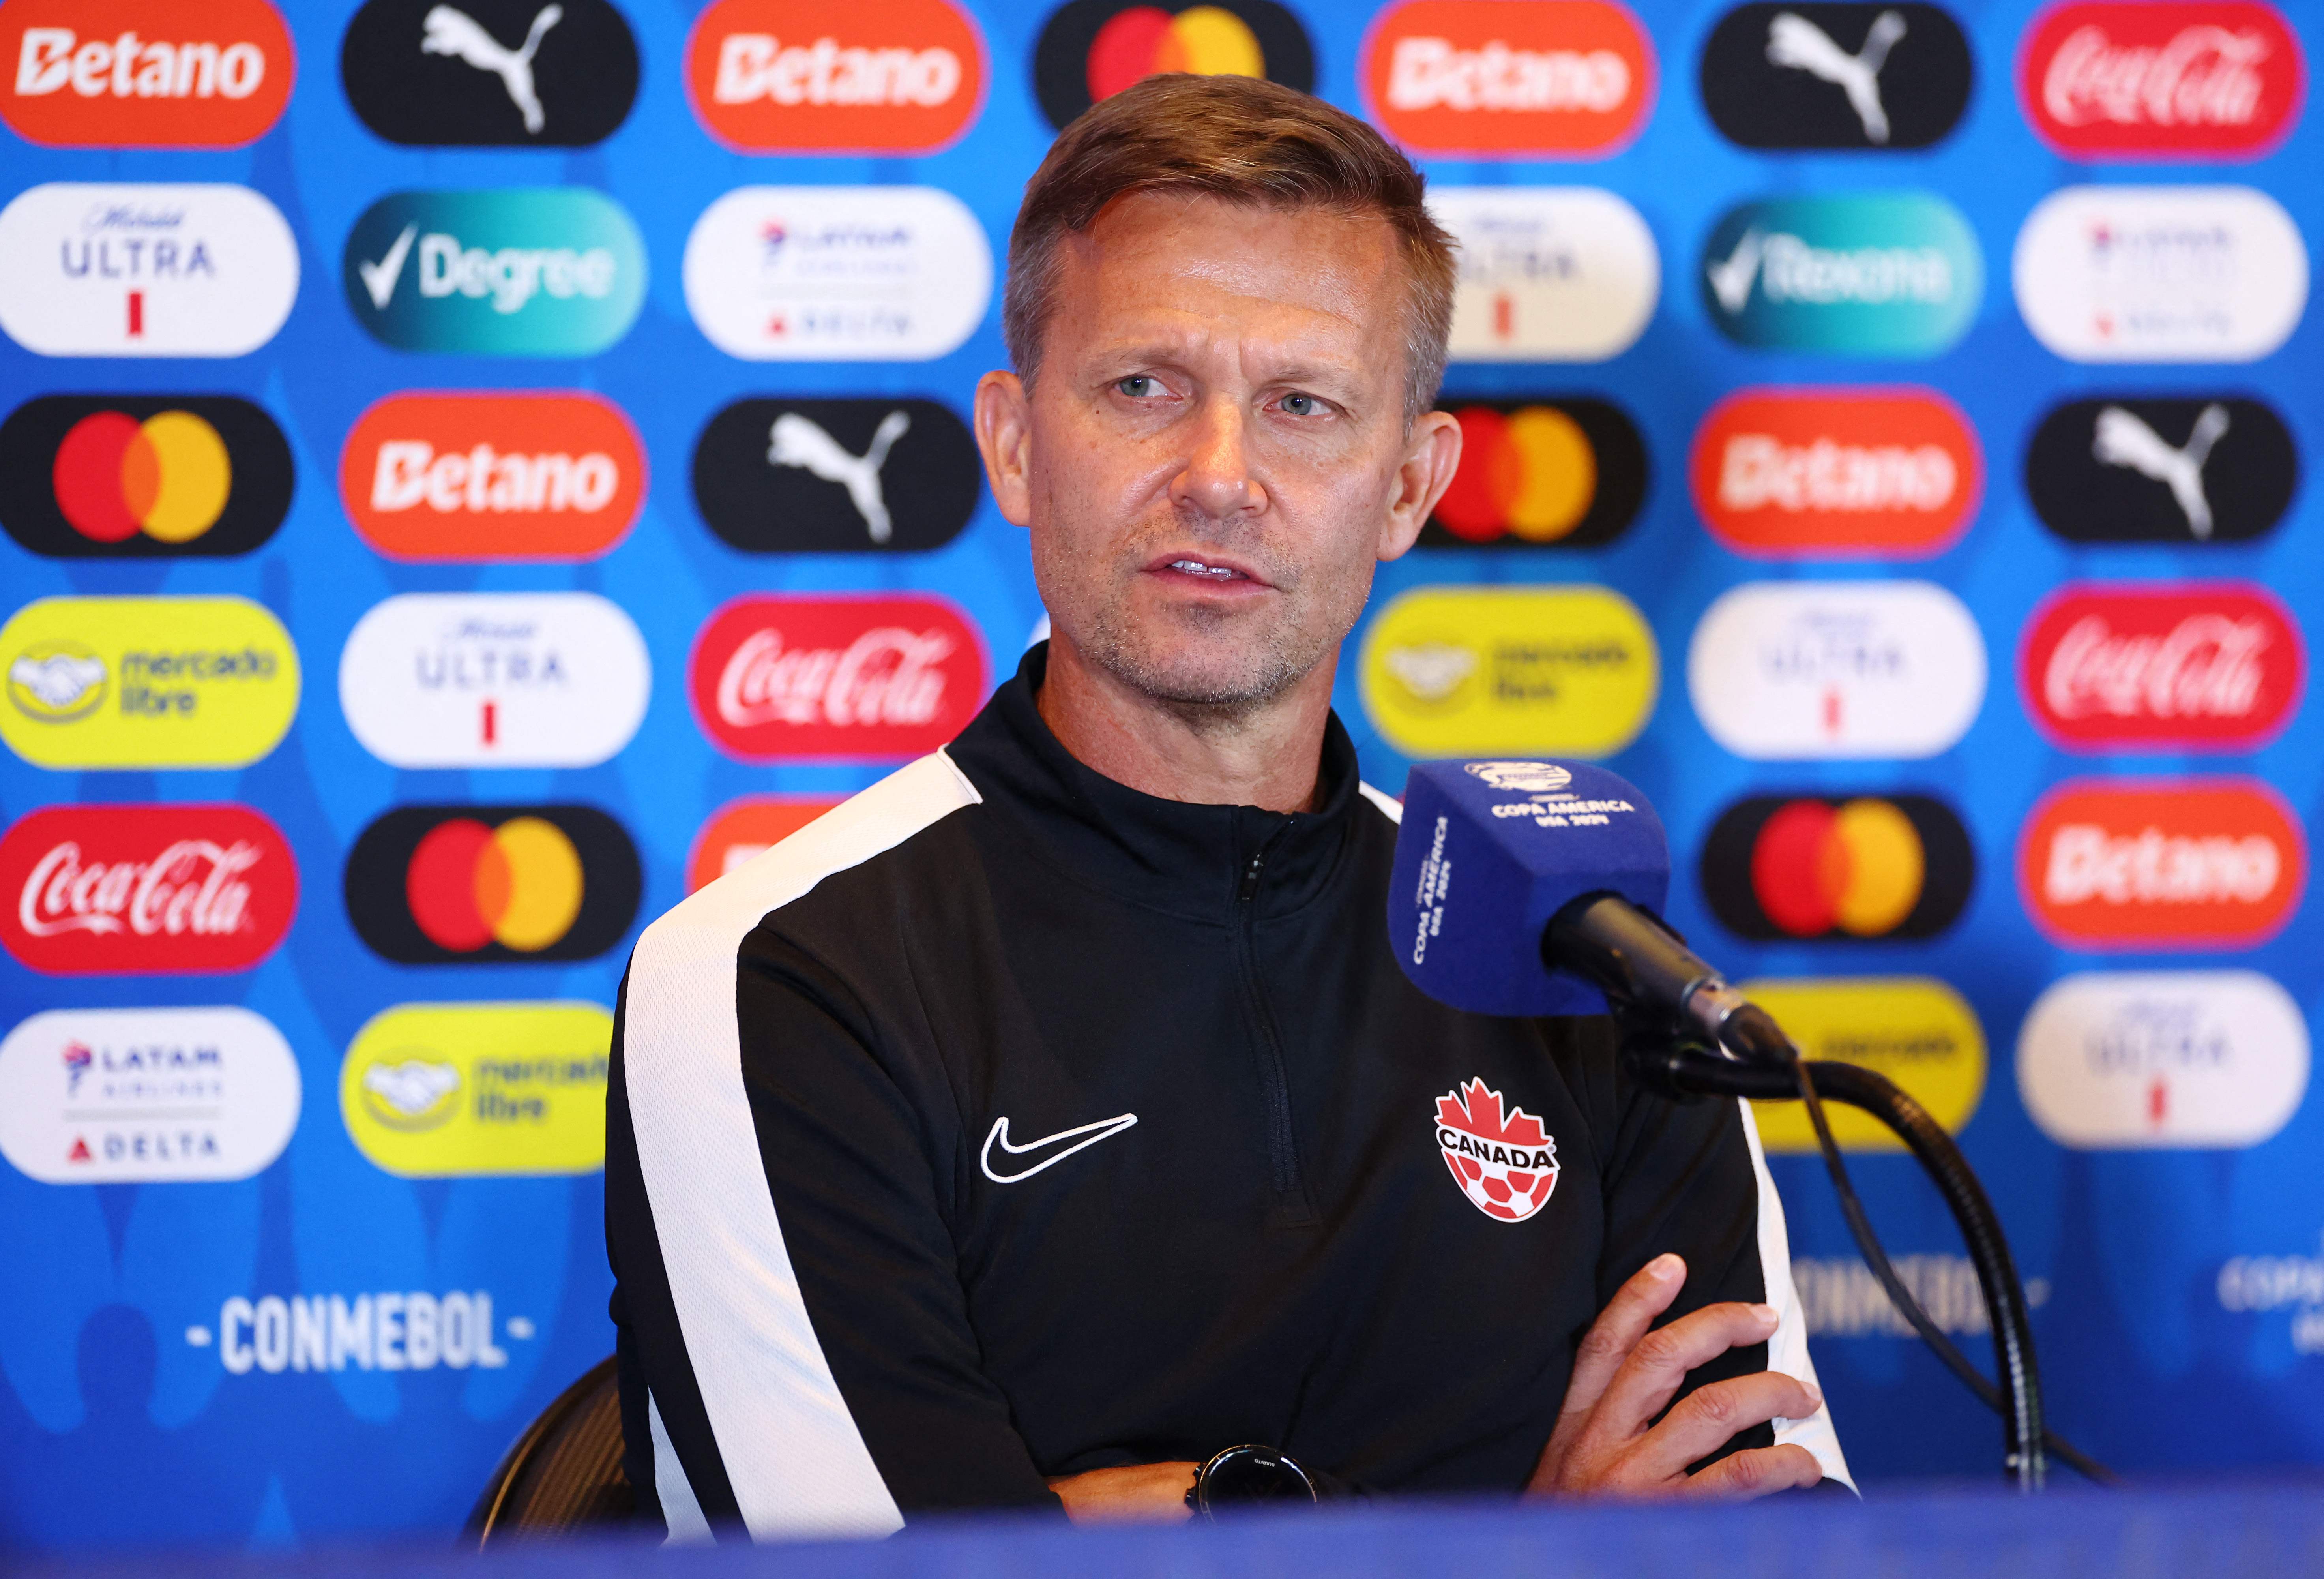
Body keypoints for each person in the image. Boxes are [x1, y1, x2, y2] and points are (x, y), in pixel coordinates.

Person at [606, 73, 1849, 1542]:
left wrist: (1168, 1523)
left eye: (1303, 406)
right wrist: (1540, 1541)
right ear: (1014, 443)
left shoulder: (1587, 965)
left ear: (1409, 486)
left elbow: (1759, 1531)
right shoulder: (774, 977)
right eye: (1143, 387)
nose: (1219, 478)